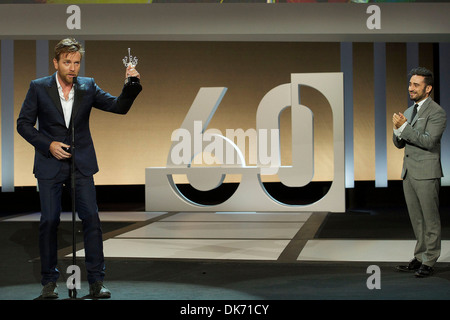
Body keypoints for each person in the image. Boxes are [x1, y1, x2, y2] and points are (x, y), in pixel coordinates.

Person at [17, 38, 142, 298]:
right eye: (67, 62)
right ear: (56, 62)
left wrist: (131, 85)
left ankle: (97, 282)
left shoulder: (87, 87)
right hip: (50, 164)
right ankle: (49, 282)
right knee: (49, 221)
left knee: (92, 221)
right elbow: (24, 124)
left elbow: (119, 107)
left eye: (76, 63)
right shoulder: (39, 87)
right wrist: (48, 144)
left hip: (80, 164)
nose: (72, 68)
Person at [392, 67, 446, 278]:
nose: (411, 88)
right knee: (417, 219)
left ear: (428, 88)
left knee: (430, 219)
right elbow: (399, 143)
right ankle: (420, 255)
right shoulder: (408, 111)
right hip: (409, 172)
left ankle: (430, 260)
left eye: (416, 85)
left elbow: (429, 141)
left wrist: (404, 128)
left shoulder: (436, 112)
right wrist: (397, 130)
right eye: (410, 84)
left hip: (427, 172)